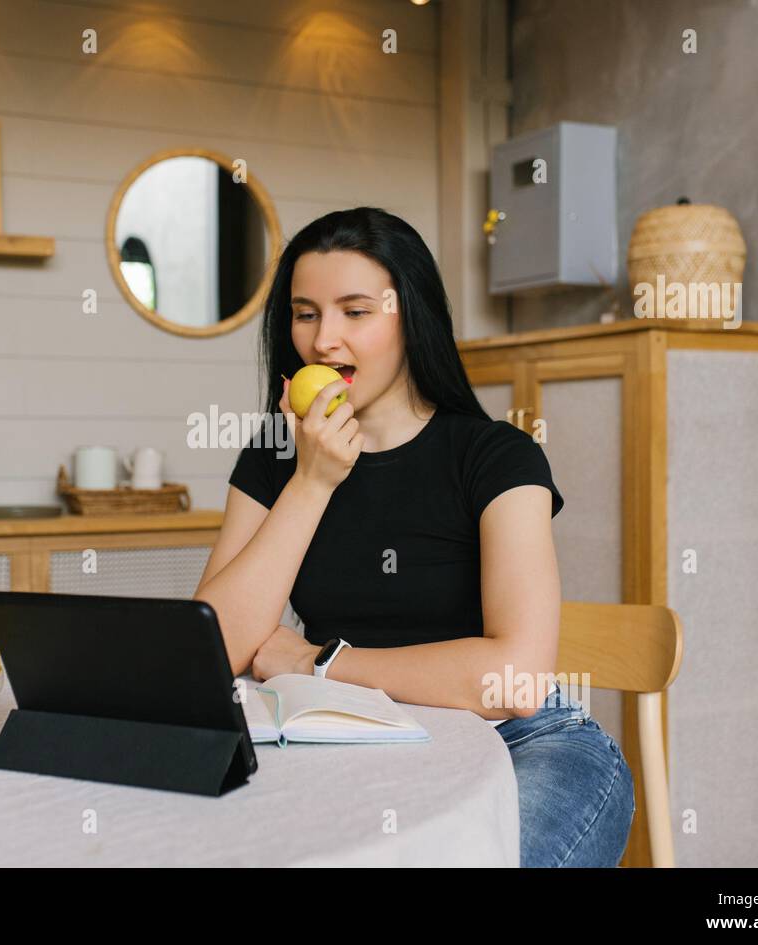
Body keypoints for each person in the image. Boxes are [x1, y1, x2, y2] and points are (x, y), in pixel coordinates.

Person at [194, 207, 634, 867]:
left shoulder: (497, 457)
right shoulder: (277, 459)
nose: (323, 340)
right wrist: (311, 484)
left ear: (411, 317)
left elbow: (514, 680)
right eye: (306, 312)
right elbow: (210, 652)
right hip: (346, 742)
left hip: (523, 743)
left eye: (356, 311)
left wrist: (321, 660)